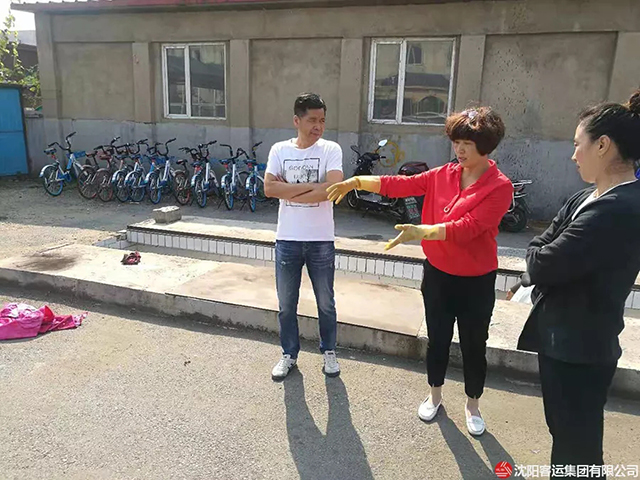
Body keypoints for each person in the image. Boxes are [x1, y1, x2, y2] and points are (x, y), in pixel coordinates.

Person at [327, 107, 513, 435]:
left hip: (476, 281)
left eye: (467, 144)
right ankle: (435, 395)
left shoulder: (499, 186)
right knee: (437, 338)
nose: (459, 150)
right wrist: (357, 181)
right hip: (438, 274)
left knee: (474, 345)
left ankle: (472, 404)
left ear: (486, 145)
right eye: (456, 142)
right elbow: (401, 185)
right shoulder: (443, 174)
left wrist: (422, 232)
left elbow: (469, 227)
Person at [517, 90, 640, 477]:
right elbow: (542, 247)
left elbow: (541, 260)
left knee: (577, 448)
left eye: (577, 144)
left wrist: (537, 258)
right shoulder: (587, 197)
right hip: (564, 340)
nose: (573, 155)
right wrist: (538, 257)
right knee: (568, 437)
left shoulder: (619, 209)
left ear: (602, 145)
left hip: (581, 349)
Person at [264, 93, 344, 381]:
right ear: (297, 121)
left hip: (321, 239)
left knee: (326, 303)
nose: (318, 126)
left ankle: (329, 351)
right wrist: (313, 188)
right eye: (312, 120)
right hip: (288, 239)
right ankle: (289, 354)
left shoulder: (331, 149)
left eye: (322, 120)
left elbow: (332, 190)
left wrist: (289, 189)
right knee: (286, 304)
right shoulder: (279, 150)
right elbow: (269, 189)